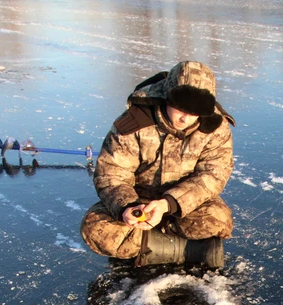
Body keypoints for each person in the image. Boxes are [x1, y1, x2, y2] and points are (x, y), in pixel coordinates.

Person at [80, 61, 235, 269]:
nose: (185, 117)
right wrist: (127, 207)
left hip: (184, 204)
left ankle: (152, 243)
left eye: (195, 111)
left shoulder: (214, 126)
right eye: (180, 107)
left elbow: (214, 175)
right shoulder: (134, 122)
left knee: (218, 219)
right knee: (96, 230)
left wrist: (168, 204)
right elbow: (111, 173)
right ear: (166, 96)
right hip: (138, 201)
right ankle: (170, 247)